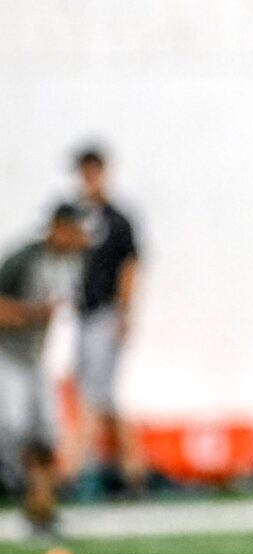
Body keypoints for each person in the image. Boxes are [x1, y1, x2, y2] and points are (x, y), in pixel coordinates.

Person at [0, 203, 88, 536]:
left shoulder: (70, 262)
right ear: (57, 228)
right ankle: (25, 500)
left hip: (37, 359)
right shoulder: (24, 260)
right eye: (74, 230)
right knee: (14, 430)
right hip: (8, 357)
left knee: (47, 435)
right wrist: (33, 313)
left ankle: (43, 509)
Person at [71, 146, 145, 498]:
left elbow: (130, 267)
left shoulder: (117, 219)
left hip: (106, 313)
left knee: (91, 391)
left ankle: (77, 469)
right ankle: (133, 470)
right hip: (83, 316)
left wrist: (125, 313)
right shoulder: (76, 218)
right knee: (107, 395)